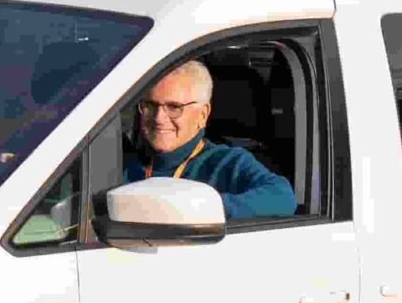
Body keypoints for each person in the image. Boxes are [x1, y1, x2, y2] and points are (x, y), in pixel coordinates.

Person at [123, 59, 296, 220]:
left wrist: (204, 208)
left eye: (174, 107)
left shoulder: (226, 162)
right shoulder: (120, 159)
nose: (159, 118)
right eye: (150, 105)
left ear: (203, 115)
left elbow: (282, 197)